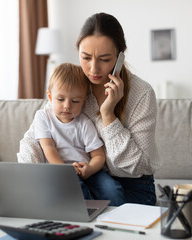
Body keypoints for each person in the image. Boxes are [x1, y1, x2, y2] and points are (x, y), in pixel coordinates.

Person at [18, 12, 160, 206]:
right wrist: (32, 177)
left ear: (120, 55)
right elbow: (33, 139)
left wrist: (108, 115)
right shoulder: (72, 85)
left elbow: (136, 166)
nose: (93, 69)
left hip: (133, 187)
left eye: (104, 59)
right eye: (86, 57)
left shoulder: (141, 94)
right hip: (82, 180)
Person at [30, 63, 124, 206]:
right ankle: (93, 216)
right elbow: (48, 148)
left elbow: (98, 155)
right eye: (60, 99)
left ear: (84, 101)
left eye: (75, 101)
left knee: (113, 190)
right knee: (76, 190)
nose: (67, 106)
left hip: (86, 169)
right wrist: (65, 171)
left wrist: (90, 169)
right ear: (50, 96)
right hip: (60, 170)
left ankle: (119, 219)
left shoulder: (84, 123)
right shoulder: (43, 117)